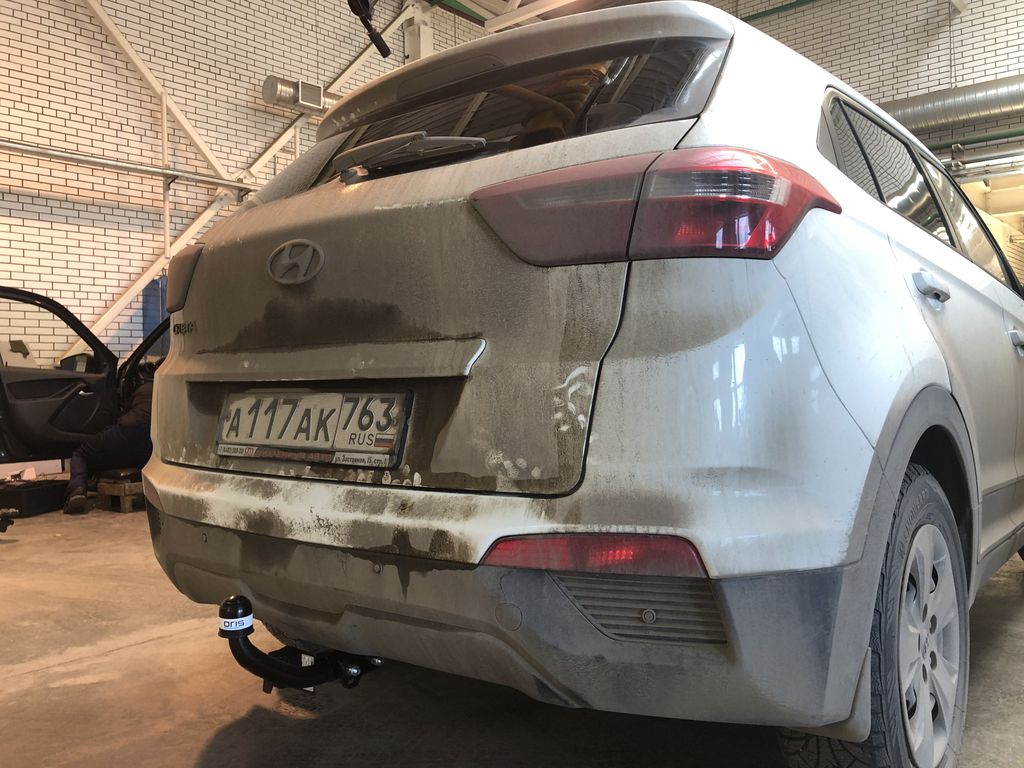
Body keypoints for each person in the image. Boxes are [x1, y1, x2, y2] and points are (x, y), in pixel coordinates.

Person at [63, 374, 155, 515]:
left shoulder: (142, 389)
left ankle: (77, 490)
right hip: (150, 444)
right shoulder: (168, 390)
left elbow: (124, 412)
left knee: (80, 454)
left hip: (126, 433)